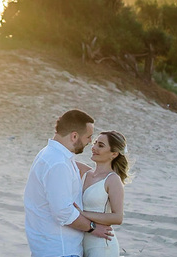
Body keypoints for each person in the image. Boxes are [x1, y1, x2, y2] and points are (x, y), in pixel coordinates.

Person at [23, 109, 115, 257]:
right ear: (74, 136)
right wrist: (93, 227)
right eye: (88, 137)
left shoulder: (51, 155)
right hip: (60, 250)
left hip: (49, 247)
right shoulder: (58, 163)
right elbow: (63, 213)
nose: (90, 142)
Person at [74, 131, 128, 257]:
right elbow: (61, 157)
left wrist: (82, 214)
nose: (94, 148)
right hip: (81, 244)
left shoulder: (113, 179)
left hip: (102, 246)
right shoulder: (85, 172)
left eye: (101, 145)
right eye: (95, 143)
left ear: (114, 154)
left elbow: (118, 217)